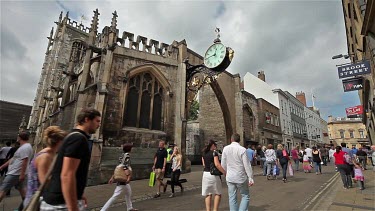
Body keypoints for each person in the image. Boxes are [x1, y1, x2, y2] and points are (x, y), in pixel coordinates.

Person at [41, 108, 101, 210]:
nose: (99, 124)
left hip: (60, 200)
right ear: (87, 119)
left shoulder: (72, 136)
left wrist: (78, 195)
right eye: (97, 121)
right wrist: (73, 207)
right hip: (61, 203)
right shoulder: (78, 139)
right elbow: (67, 175)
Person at [23, 126, 67, 208]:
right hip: (37, 201)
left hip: (42, 199)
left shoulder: (52, 154)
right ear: (59, 142)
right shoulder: (45, 157)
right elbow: (45, 182)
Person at [0, 132, 34, 210]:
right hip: (18, 172)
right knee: (22, 190)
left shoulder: (25, 147)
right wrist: (3, 166)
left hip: (15, 173)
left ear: (20, 138)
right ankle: (28, 206)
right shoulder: (24, 147)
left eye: (18, 137)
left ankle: (28, 206)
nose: (17, 138)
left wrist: (22, 174)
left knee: (3, 190)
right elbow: (14, 159)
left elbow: (25, 161)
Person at [221, 133, 254, 211]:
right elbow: (247, 165)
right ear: (239, 140)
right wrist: (250, 177)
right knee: (245, 195)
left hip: (230, 176)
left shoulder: (225, 148)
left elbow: (223, 164)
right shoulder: (242, 149)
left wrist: (225, 173)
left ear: (231, 139)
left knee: (232, 197)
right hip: (240, 176)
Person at [101, 143, 138, 211]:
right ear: (129, 149)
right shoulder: (127, 156)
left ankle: (129, 208)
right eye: (131, 148)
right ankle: (103, 210)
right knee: (115, 196)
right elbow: (124, 166)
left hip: (120, 176)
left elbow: (118, 167)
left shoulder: (121, 155)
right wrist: (128, 176)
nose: (132, 149)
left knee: (128, 192)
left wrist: (113, 177)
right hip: (123, 178)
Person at [201, 140, 226, 211]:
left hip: (205, 174)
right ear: (212, 145)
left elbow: (204, 164)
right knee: (218, 193)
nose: (215, 147)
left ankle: (208, 210)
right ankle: (215, 210)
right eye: (215, 145)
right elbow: (217, 164)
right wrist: (224, 172)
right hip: (213, 175)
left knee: (208, 194)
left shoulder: (204, 153)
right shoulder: (214, 153)